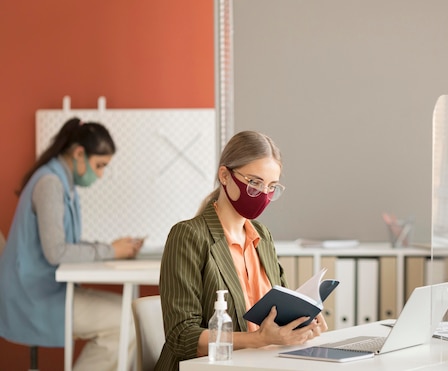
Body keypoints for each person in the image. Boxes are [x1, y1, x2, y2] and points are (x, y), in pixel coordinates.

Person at [156, 130, 327, 369]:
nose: (263, 195)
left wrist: (300, 325)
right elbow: (181, 336)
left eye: (272, 187)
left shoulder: (262, 236)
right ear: (225, 176)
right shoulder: (188, 235)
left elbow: (277, 318)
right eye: (254, 183)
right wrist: (258, 340)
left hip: (261, 363)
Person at [0, 117, 143, 371]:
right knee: (127, 322)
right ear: (79, 153)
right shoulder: (50, 184)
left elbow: (65, 244)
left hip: (48, 290)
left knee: (133, 315)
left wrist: (113, 248)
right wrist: (111, 250)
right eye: (99, 166)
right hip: (35, 297)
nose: (99, 175)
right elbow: (56, 252)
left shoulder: (63, 183)